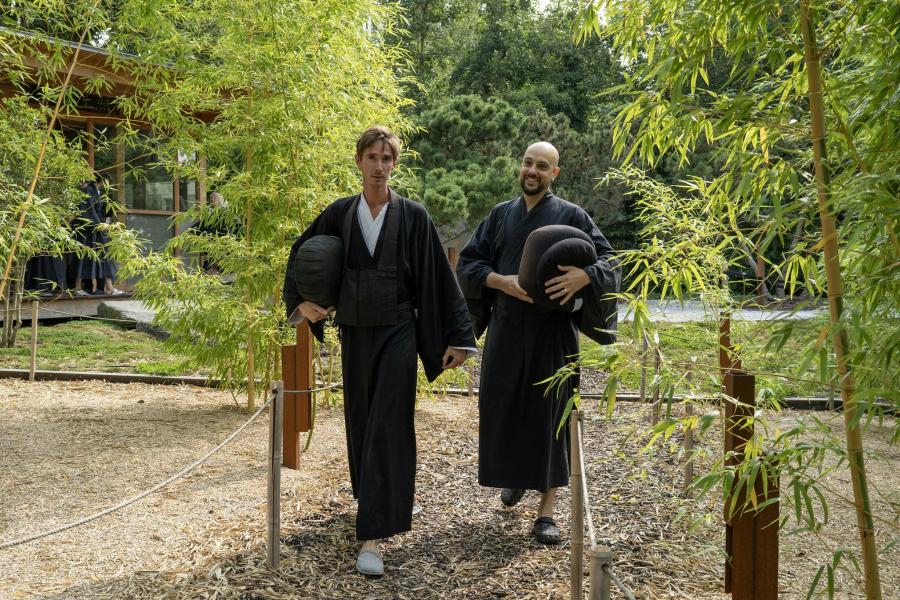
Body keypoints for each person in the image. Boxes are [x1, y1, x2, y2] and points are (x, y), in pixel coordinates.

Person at [282, 126, 475, 576]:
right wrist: (301, 304)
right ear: (358, 161)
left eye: (387, 158)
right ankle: (373, 500)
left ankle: (373, 536)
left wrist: (459, 338)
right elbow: (299, 256)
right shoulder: (340, 213)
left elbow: (439, 279)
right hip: (354, 332)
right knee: (362, 421)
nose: (380, 166)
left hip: (397, 333)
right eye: (372, 157)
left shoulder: (412, 216)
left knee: (389, 423)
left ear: (395, 164)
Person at [456, 141, 620, 544]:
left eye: (542, 166)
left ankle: (546, 513)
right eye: (528, 163)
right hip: (507, 328)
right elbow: (469, 264)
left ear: (554, 174)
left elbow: (610, 261)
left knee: (551, 419)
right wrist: (501, 281)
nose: (532, 171)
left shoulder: (572, 215)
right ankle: (515, 476)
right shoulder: (499, 216)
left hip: (553, 333)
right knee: (503, 408)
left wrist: (586, 277)